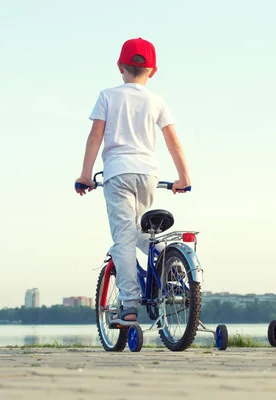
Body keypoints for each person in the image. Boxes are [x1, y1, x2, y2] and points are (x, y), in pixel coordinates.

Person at [74, 37, 191, 324]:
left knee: (123, 240)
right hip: (149, 174)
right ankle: (170, 262)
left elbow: (95, 137)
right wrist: (184, 177)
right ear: (154, 70)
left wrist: (86, 176)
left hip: (118, 172)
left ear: (119, 67)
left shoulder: (108, 96)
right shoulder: (157, 101)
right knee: (142, 230)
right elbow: (172, 141)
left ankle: (129, 305)